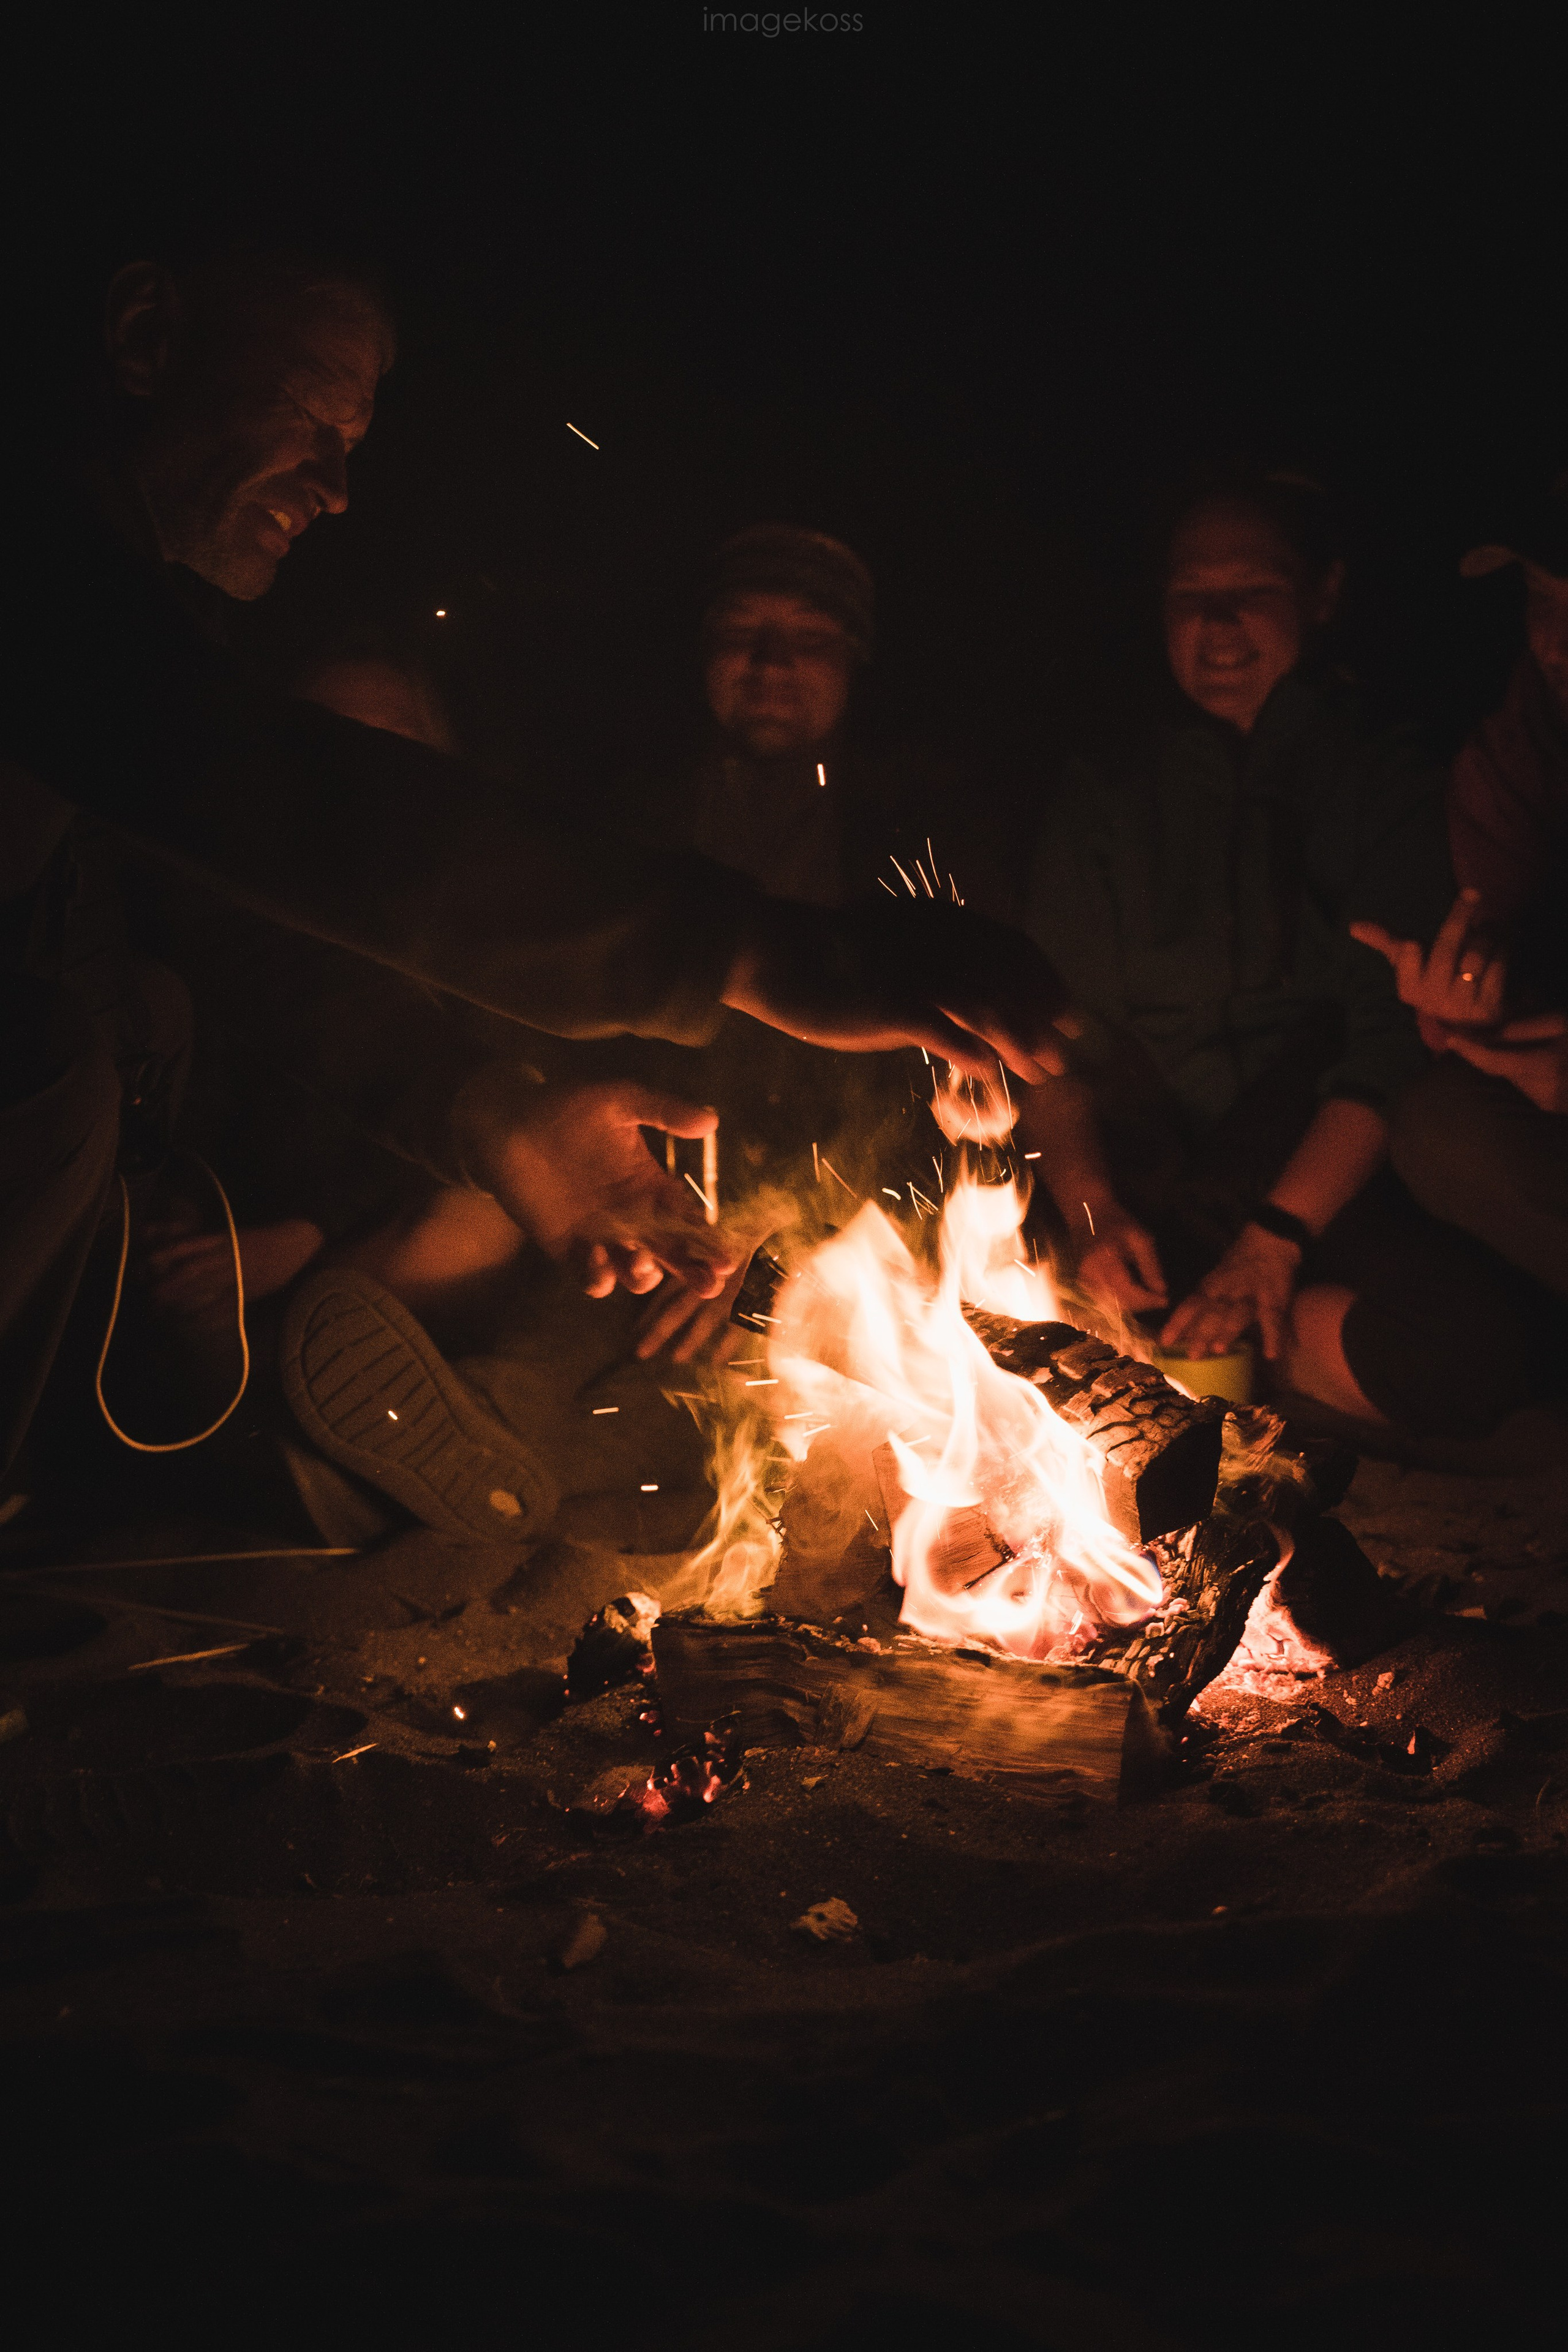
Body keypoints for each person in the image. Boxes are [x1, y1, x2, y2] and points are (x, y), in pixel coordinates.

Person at [0, 236, 1070, 1507]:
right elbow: (290, 803)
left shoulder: (901, 815)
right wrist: (758, 952)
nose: (337, 484)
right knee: (60, 1055)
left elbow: (250, 933)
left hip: (734, 1229)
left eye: (356, 438)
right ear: (144, 339)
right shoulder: (38, 566)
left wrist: (490, 1110)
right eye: (310, 415)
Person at [1013, 466, 1533, 1438]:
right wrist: (1091, 1210)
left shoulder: (1388, 781)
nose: (1217, 629)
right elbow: (1049, 1038)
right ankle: (1206, 1365)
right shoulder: (1107, 793)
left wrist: (1274, 1243)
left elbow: (1386, 1051)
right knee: (997, 1301)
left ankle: (1244, 1366)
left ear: (1321, 595)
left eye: (1250, 595)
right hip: (1147, 1188)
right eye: (1190, 599)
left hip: (1314, 1190)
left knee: (1471, 1352)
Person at [1355, 475, 1568, 1314]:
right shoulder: (1527, 739)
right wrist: (1466, 1007)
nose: (1556, 642)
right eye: (1542, 597)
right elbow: (1492, 929)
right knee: (1444, 1129)